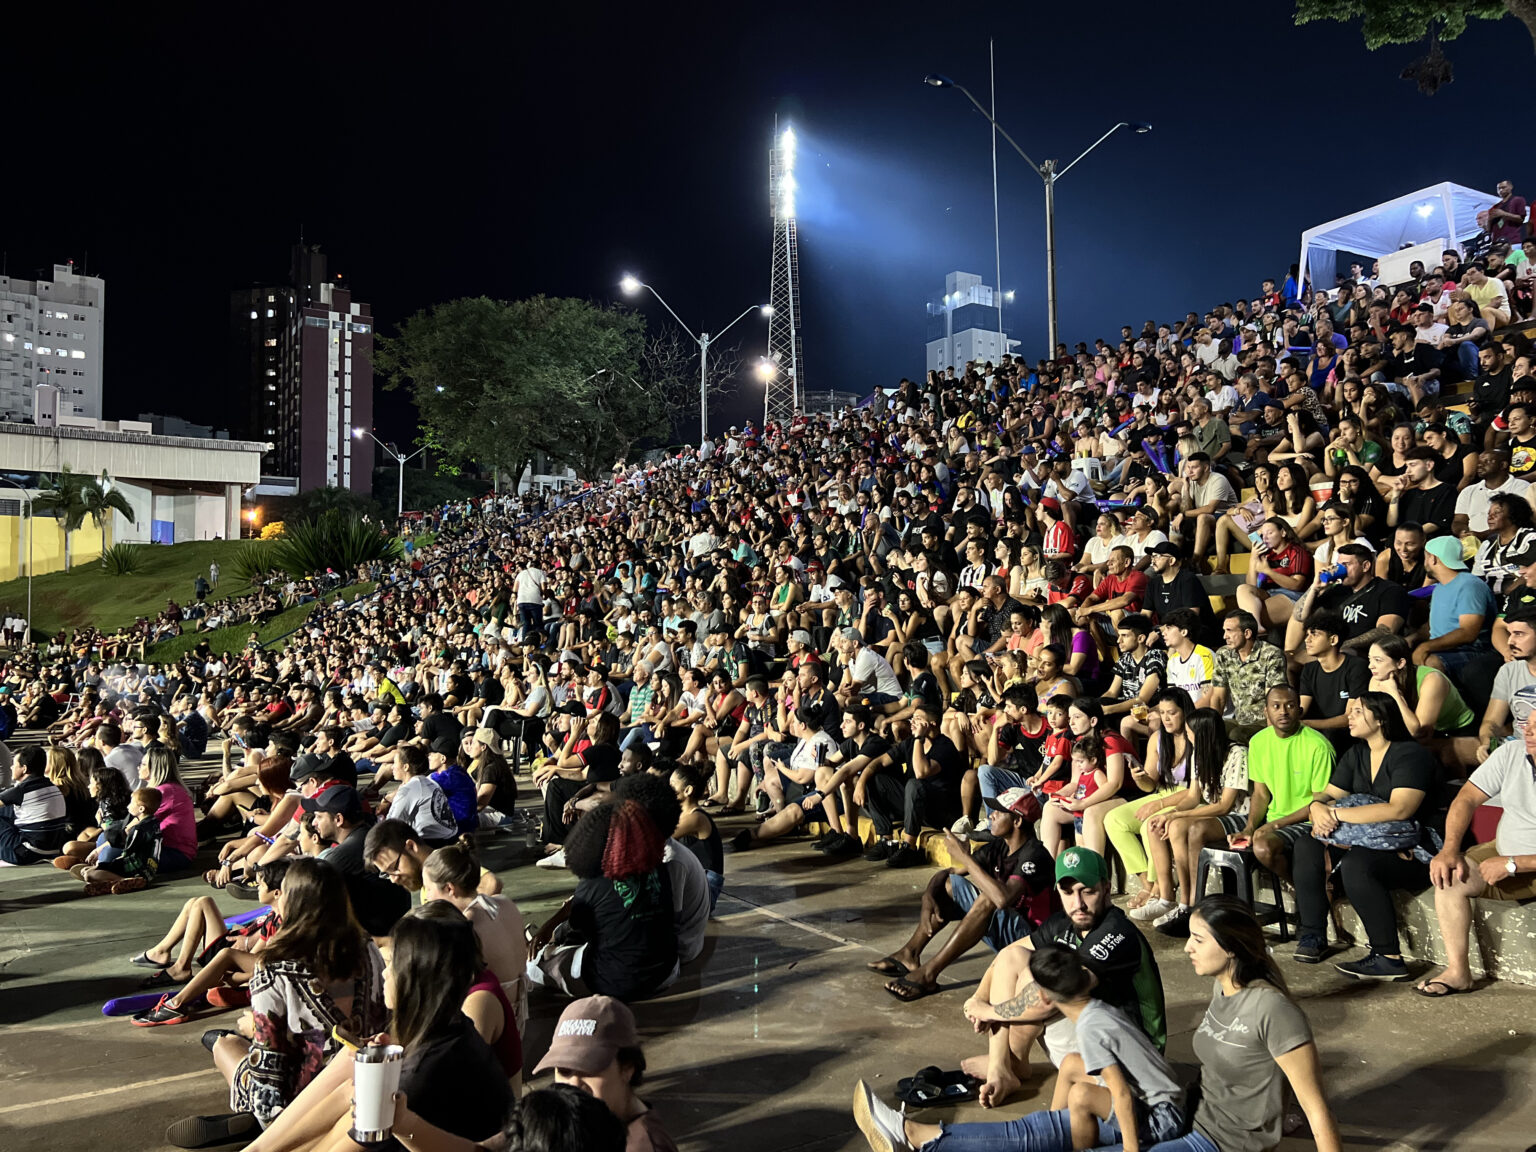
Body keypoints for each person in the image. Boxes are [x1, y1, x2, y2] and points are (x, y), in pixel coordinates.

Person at [853, 895, 1342, 1152]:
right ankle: (920, 1138)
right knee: (1056, 1127)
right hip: (1187, 1116)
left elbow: (1316, 1108)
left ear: (1231, 949)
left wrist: (1275, 1123)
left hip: (1217, 1143)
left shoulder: (1273, 1010)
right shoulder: (1223, 987)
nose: (1186, 948)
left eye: (1197, 939)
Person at [956, 848, 1165, 1109]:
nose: (1077, 904)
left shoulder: (1117, 933)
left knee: (1037, 983)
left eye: (1087, 891)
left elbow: (1049, 1001)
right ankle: (1004, 1066)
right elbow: (1007, 957)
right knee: (1016, 957)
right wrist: (976, 999)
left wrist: (989, 1011)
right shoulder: (1064, 922)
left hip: (1132, 1060)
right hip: (1093, 1038)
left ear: (1107, 888)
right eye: (1068, 893)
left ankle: (1007, 1065)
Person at [1292, 692, 1435, 977]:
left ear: (1380, 719)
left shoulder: (1410, 754)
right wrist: (1318, 806)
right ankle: (1313, 935)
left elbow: (1399, 810)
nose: (1349, 717)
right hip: (1366, 839)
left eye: (1358, 712)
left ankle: (1388, 956)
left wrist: (1334, 813)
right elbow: (1331, 794)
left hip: (1414, 847)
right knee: (1307, 845)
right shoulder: (1357, 752)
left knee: (1360, 864)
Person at [871, 787, 1054, 1002]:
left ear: (1017, 821)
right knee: (949, 885)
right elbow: (949, 874)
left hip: (1033, 943)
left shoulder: (1035, 854)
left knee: (988, 898)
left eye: (998, 811)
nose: (991, 815)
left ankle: (929, 974)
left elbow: (1002, 900)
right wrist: (928, 897)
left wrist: (965, 858)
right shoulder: (999, 847)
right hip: (1009, 933)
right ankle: (910, 954)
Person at [1415, 714, 1536, 996]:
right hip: (1505, 851)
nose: (1527, 731)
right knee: (1450, 877)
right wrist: (1449, 849)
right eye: (1527, 724)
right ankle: (1459, 972)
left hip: (1523, 863)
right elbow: (1467, 797)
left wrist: (1513, 864)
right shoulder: (1512, 752)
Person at [527, 800, 678, 1001]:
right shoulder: (657, 865)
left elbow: (578, 930)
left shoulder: (594, 880)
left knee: (543, 962)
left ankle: (537, 962)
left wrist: (551, 933)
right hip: (665, 973)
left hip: (616, 982)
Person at [1234, 685, 1336, 882]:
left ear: (1299, 710)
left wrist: (1274, 825)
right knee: (1198, 829)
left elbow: (1320, 805)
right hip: (1273, 817)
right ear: (1266, 711)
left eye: (1290, 706)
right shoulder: (1258, 742)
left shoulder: (1318, 746)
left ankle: (1302, 888)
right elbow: (1261, 794)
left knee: (1263, 846)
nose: (1283, 711)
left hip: (1307, 821)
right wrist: (1250, 828)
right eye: (1276, 706)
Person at [1414, 535, 1497, 675]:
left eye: (1425, 557)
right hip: (1442, 649)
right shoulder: (1439, 588)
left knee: (1431, 662)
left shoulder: (1470, 585)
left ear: (1433, 558)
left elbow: (1468, 632)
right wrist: (1411, 639)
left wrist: (1425, 647)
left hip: (1471, 651)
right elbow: (1434, 625)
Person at [1208, 609, 1286, 743]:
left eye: (1229, 631)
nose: (1224, 636)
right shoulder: (1223, 654)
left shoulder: (1271, 654)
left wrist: (1272, 739)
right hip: (1239, 720)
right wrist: (1212, 724)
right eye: (1224, 631)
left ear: (1247, 633)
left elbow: (1274, 699)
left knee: (1236, 735)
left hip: (1263, 721)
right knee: (1208, 732)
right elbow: (1218, 697)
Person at [1297, 610, 1370, 749]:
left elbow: (1349, 717)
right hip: (1319, 735)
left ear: (1333, 640)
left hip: (1349, 737)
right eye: (1307, 634)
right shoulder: (1309, 669)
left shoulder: (1356, 667)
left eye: (1315, 634)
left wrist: (1307, 724)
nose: (1307, 640)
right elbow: (1302, 709)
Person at [0, 744, 70, 866]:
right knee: (8, 809)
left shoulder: (21, 790)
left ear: (24, 769)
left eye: (14, 764)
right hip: (53, 849)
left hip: (26, 853)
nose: (11, 767)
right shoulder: (52, 787)